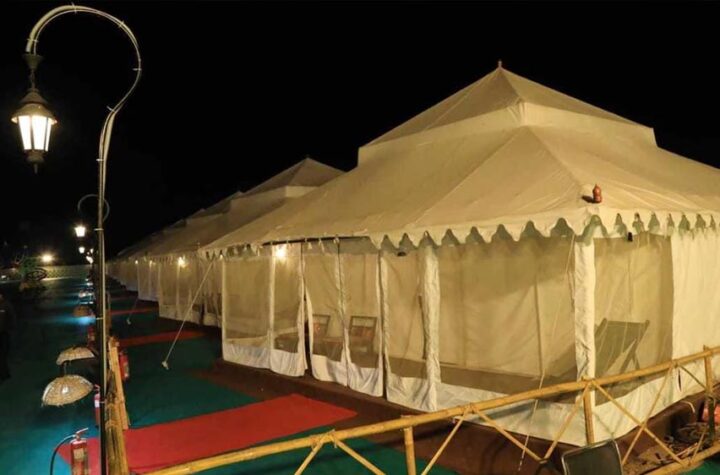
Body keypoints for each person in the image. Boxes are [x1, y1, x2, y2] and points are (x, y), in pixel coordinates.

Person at [0, 293, 17, 382]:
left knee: (3, 355)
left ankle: (4, 374)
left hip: (3, 334)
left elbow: (12, 318)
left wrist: (9, 329)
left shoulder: (6, 305)